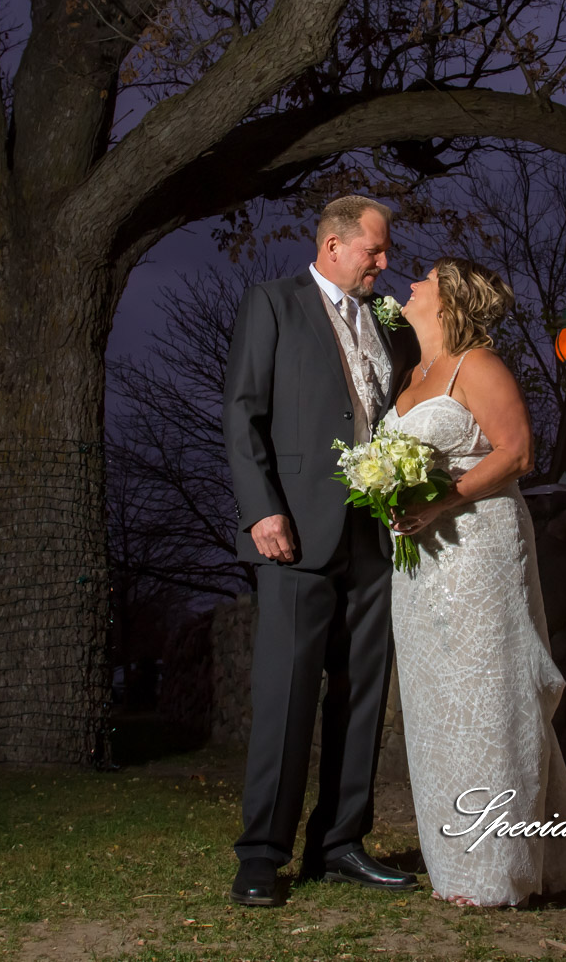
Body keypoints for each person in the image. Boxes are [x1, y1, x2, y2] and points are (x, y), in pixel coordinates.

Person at [221, 195, 420, 907]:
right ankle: (261, 854)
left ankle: (340, 841)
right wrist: (260, 508)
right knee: (287, 690)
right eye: (376, 249)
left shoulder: (388, 320)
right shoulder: (272, 304)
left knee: (363, 693)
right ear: (334, 245)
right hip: (295, 530)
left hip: (374, 532)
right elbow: (243, 409)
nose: (384, 261)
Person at [386, 257, 566, 907]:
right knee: (438, 709)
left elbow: (517, 452)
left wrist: (440, 500)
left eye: (423, 279)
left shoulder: (475, 365)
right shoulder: (412, 377)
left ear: (448, 299)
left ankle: (496, 871)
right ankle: (473, 862)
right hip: (419, 565)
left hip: (479, 546)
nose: (411, 283)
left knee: (491, 695)